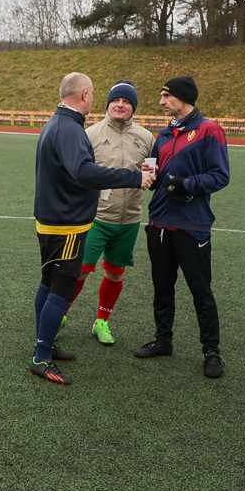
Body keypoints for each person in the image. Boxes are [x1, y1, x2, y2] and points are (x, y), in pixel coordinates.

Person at [32, 72, 154, 386]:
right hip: (66, 224)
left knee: (47, 284)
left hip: (53, 219)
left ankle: (45, 345)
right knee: (61, 289)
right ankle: (41, 357)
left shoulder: (56, 123)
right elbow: (83, 171)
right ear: (85, 94)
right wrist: (132, 177)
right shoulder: (71, 128)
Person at [133, 76, 230, 378]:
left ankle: (212, 352)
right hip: (159, 223)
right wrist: (152, 177)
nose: (161, 102)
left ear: (183, 97)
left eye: (166, 96)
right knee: (162, 288)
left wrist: (186, 184)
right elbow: (164, 182)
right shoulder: (163, 134)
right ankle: (164, 341)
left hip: (192, 225)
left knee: (201, 291)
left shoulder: (209, 130)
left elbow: (220, 175)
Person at [62, 80, 155, 346]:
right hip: (96, 218)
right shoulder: (89, 134)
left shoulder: (146, 138)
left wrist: (152, 176)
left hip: (129, 220)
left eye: (127, 102)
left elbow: (151, 173)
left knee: (115, 273)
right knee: (80, 271)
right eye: (116, 100)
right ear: (108, 104)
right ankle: (61, 315)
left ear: (133, 107)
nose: (121, 105)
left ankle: (101, 321)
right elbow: (78, 174)